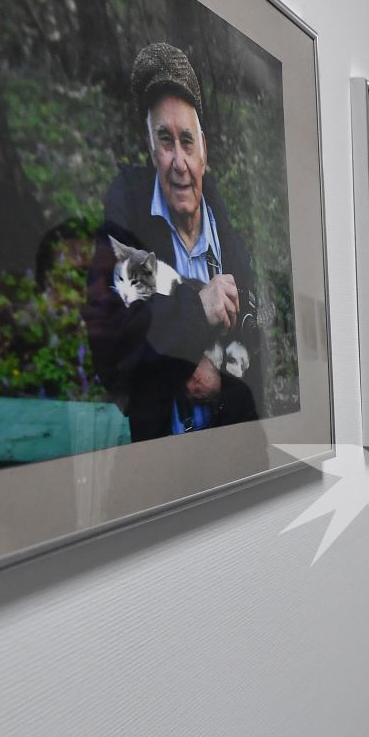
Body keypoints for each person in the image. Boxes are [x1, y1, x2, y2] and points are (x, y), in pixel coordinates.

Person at [85, 42, 261, 441]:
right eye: (166, 141)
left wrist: (221, 388)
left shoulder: (230, 244)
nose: (178, 162)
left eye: (187, 141)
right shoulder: (129, 229)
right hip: (161, 477)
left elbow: (260, 379)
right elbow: (112, 350)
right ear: (151, 148)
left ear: (205, 152)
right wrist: (197, 311)